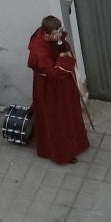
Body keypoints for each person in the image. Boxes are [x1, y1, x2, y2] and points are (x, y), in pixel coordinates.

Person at [26, 15, 88, 165]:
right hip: (49, 90)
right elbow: (53, 73)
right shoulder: (38, 52)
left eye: (60, 31)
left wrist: (62, 48)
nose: (59, 35)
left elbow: (60, 46)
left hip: (63, 86)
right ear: (46, 34)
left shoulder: (51, 35)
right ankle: (63, 152)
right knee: (57, 120)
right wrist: (65, 59)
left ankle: (77, 143)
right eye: (56, 33)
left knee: (70, 114)